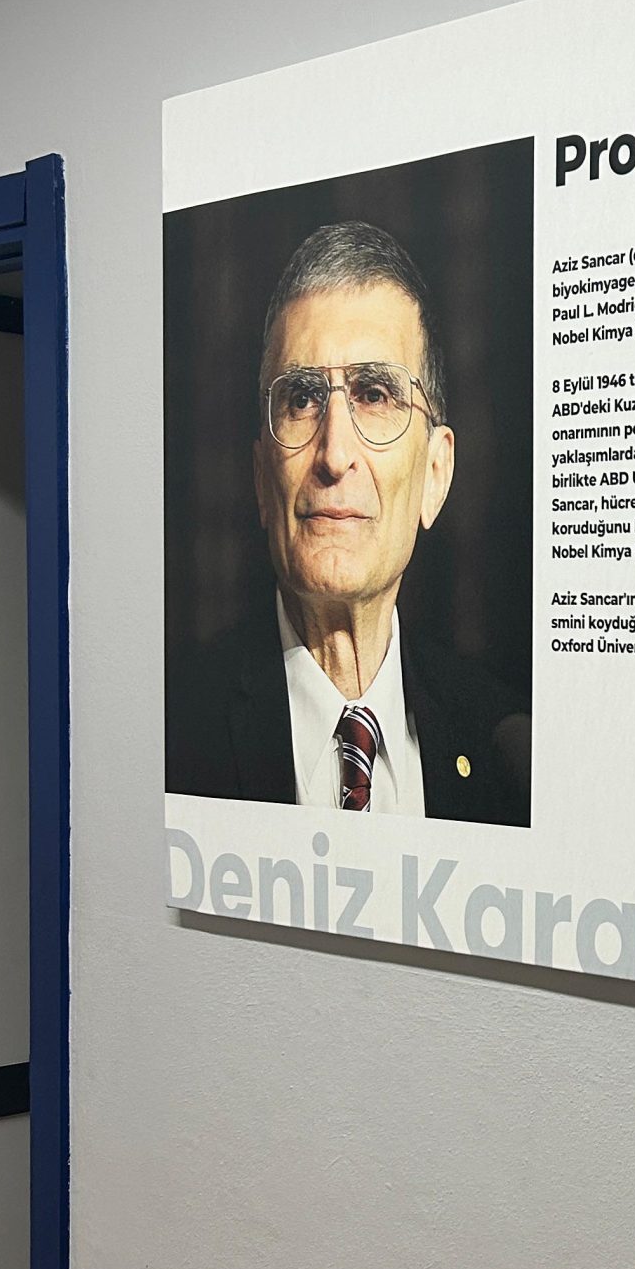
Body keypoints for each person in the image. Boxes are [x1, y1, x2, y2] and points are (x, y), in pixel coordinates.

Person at [166, 221, 530, 824]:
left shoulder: (506, 750)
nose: (334, 455)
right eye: (302, 399)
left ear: (435, 474)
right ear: (261, 478)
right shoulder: (169, 732)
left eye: (375, 394)